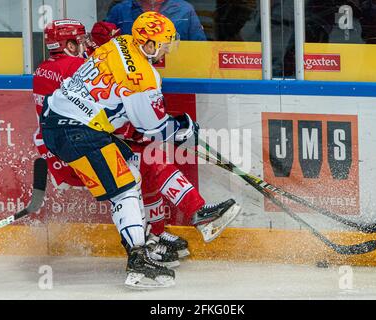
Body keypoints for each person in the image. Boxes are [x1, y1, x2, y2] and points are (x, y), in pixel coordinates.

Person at [39, 12, 241, 289]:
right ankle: (139, 260)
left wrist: (173, 127)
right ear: (148, 44)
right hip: (77, 131)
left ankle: (179, 225)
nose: (167, 50)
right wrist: (183, 129)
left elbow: (131, 111)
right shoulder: (143, 77)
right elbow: (154, 128)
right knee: (125, 189)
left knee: (137, 165)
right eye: (163, 44)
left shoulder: (121, 43)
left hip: (67, 124)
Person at [33, 19, 88, 190]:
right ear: (70, 46)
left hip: (49, 145)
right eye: (80, 42)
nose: (84, 47)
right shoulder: (76, 65)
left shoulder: (41, 68)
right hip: (75, 144)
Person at [106, 0, 206, 41]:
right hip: (133, 77)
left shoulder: (185, 9)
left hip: (177, 73)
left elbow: (200, 49)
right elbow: (106, 48)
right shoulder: (119, 10)